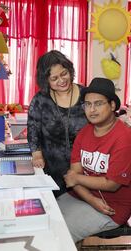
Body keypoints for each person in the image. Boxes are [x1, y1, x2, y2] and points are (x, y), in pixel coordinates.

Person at [57, 77, 131, 242]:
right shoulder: (84, 133)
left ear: (112, 106)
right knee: (45, 216)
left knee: (60, 235)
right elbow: (74, 177)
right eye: (87, 104)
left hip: (112, 208)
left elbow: (111, 184)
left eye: (98, 103)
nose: (92, 110)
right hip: (84, 197)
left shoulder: (124, 138)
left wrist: (75, 178)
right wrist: (91, 199)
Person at [27, 50, 88, 197]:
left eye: (64, 74)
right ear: (46, 80)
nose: (61, 80)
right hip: (51, 168)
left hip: (85, 169)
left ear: (70, 70)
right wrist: (36, 155)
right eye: (54, 78)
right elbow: (33, 129)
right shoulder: (40, 100)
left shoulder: (87, 95)